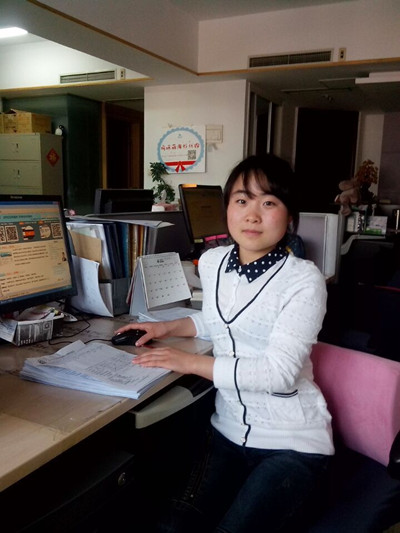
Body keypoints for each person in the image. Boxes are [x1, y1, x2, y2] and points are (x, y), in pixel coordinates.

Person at [116, 154, 334, 533]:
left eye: (269, 203)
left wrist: (189, 363)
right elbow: (222, 321)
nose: (252, 215)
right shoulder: (213, 262)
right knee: (171, 525)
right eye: (242, 200)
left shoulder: (303, 279)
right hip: (227, 431)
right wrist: (166, 328)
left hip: (291, 442)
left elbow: (279, 373)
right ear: (227, 208)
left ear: (289, 216)